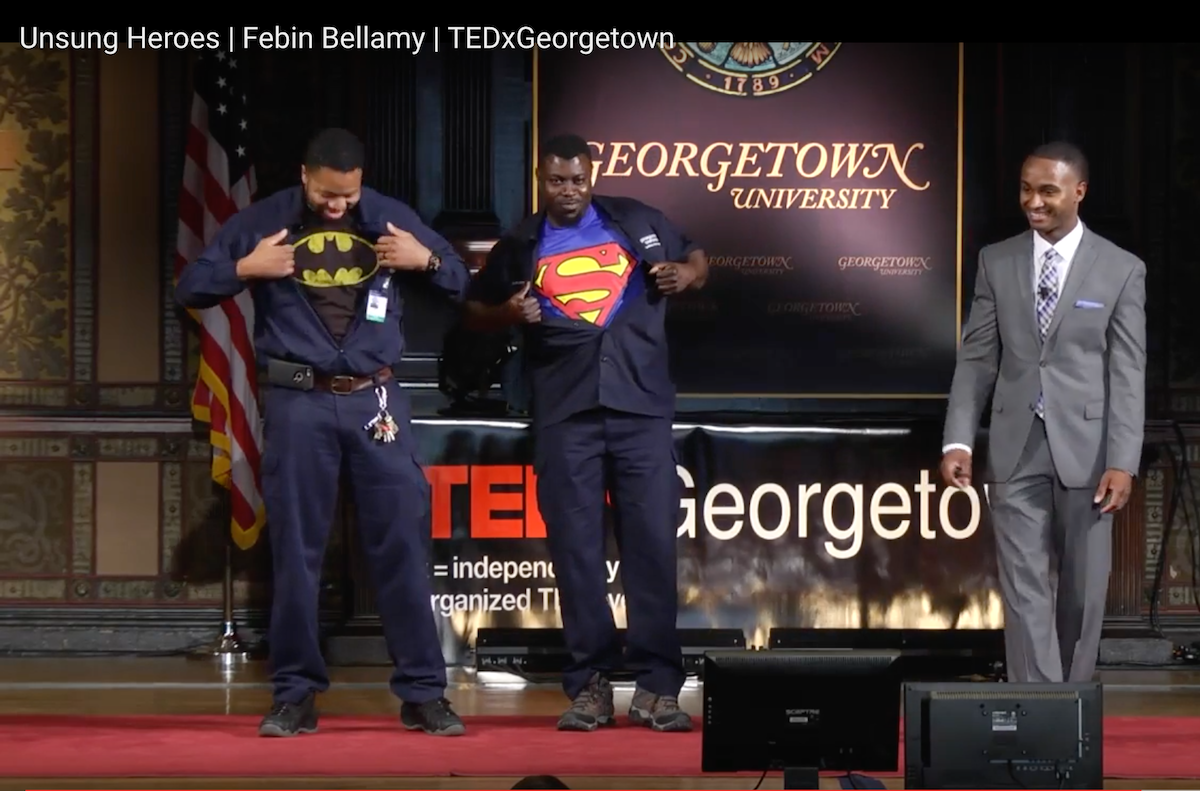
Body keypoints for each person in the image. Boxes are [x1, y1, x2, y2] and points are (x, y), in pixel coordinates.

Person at [175, 128, 470, 737]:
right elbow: (192, 285)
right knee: (298, 556)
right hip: (299, 402)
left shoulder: (388, 217)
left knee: (402, 550)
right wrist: (244, 267)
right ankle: (295, 694)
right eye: (329, 195)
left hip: (377, 400)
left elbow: (463, 281)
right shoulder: (264, 220)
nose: (340, 207)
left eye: (349, 196)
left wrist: (428, 260)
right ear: (306, 177)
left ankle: (423, 693)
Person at [462, 133, 708, 732]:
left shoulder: (636, 221)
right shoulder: (521, 245)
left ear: (590, 177)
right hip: (564, 414)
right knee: (576, 552)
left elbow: (700, 257)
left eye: (576, 180)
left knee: (650, 546)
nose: (566, 191)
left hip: (641, 409)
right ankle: (591, 686)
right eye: (555, 181)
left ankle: (657, 689)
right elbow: (474, 308)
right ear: (541, 181)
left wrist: (685, 273)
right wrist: (508, 315)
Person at [941, 141, 1146, 684]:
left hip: (1089, 451)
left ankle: (1071, 707)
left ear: (1079, 192)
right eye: (1026, 189)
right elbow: (978, 357)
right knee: (1024, 585)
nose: (1034, 202)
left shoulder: (1122, 270)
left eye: (1048, 191)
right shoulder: (997, 260)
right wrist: (958, 439)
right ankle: (1038, 710)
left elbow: (1128, 372)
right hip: (1014, 444)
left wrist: (1124, 459)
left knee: (1082, 588)